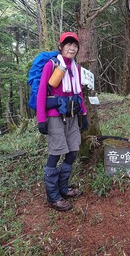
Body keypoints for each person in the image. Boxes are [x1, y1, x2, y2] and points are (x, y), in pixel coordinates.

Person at [36, 31, 89, 211]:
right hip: (54, 116)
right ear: (60, 46)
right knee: (56, 153)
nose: (72, 47)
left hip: (72, 115)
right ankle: (53, 196)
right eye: (68, 44)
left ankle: (63, 187)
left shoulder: (76, 68)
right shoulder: (52, 65)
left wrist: (84, 114)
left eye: (75, 45)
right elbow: (42, 91)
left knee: (73, 151)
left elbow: (79, 93)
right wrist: (41, 119)